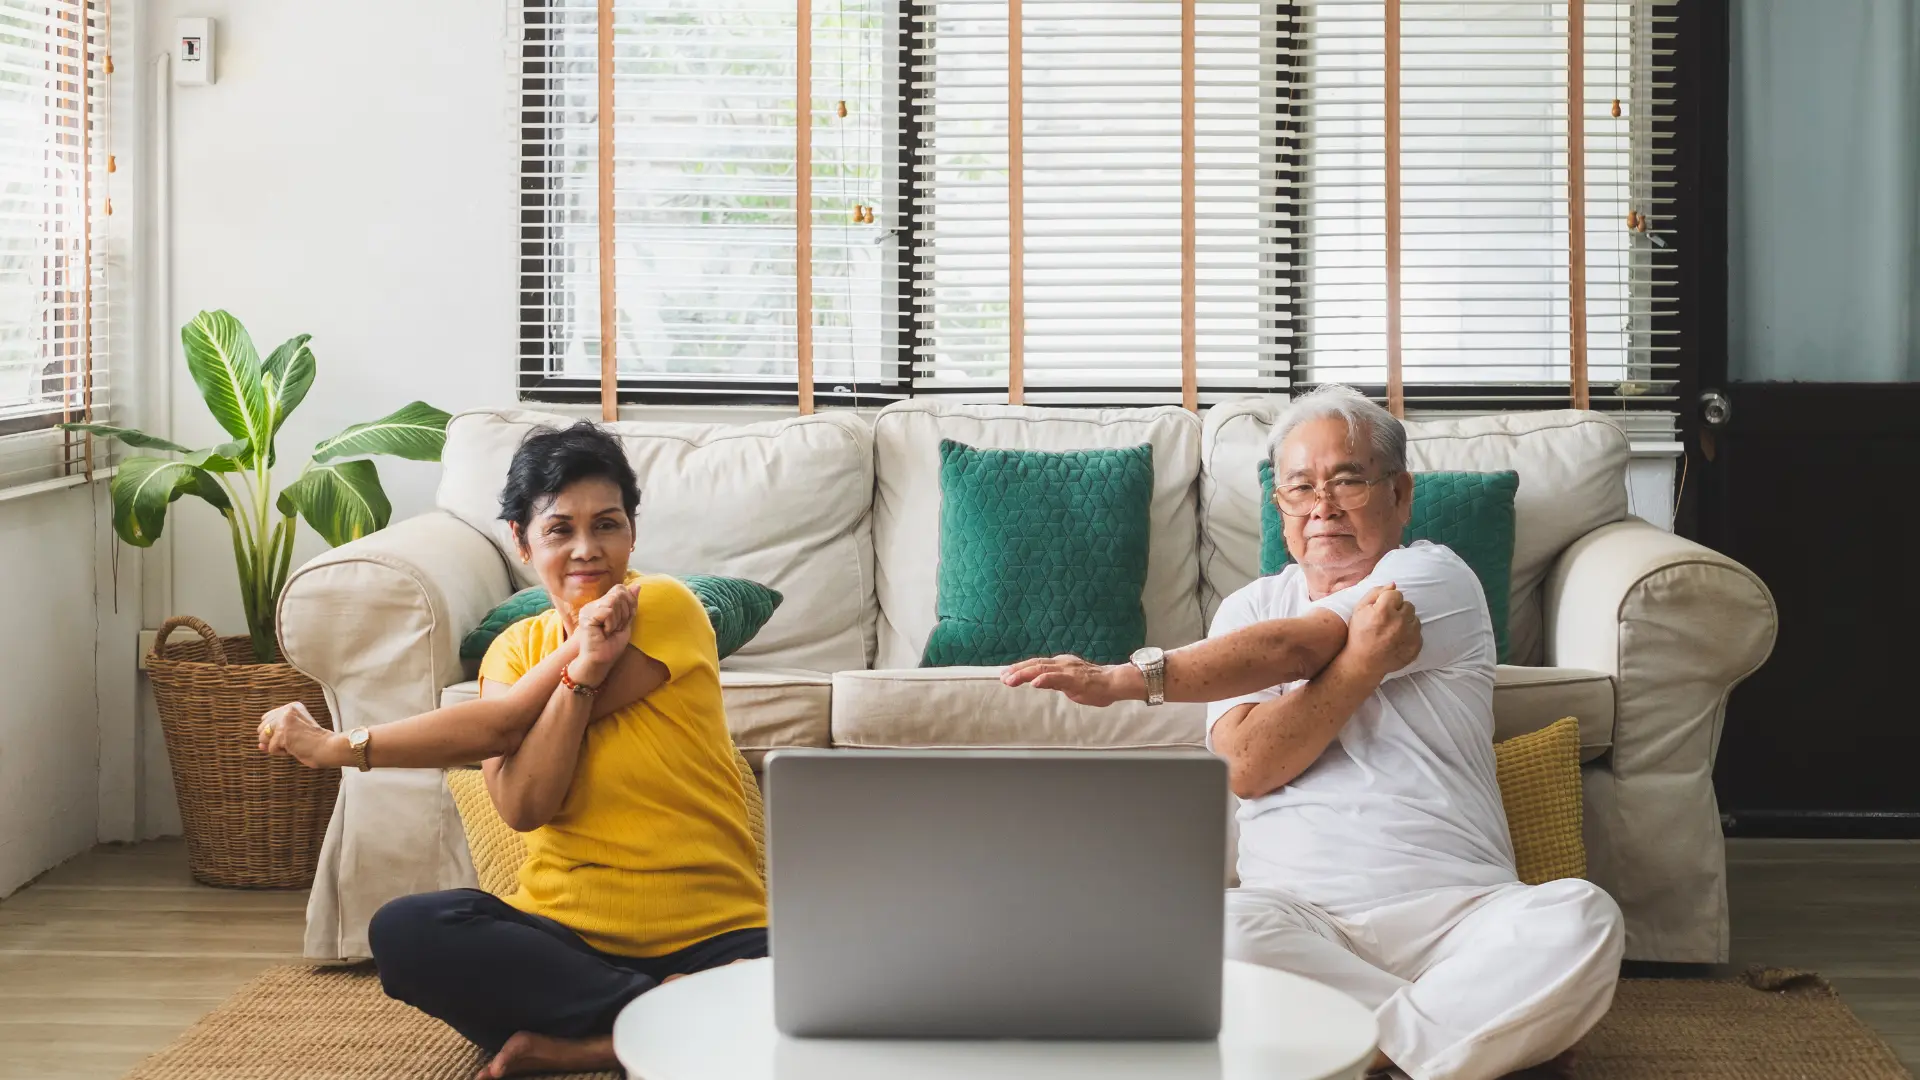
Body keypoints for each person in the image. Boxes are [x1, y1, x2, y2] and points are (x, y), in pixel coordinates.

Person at [1003, 385, 1624, 1080]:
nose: (1322, 506)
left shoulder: (1433, 576)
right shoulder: (1249, 610)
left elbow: (1301, 647)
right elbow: (1247, 765)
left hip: (1461, 915)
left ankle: (1362, 1050)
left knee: (1580, 917)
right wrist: (1361, 666)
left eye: (1348, 481)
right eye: (1300, 487)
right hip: (1298, 920)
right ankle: (1467, 1039)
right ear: (1280, 508)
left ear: (1400, 494)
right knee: (1202, 932)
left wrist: (1126, 679)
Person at [258, 422, 765, 1080]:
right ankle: (669, 1019)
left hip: (715, 934)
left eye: (607, 525)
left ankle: (599, 1043)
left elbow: (501, 725)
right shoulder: (510, 652)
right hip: (564, 944)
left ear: (632, 533)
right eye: (560, 530)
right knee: (408, 932)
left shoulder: (665, 605)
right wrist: (581, 673)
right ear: (522, 542)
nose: (587, 550)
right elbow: (526, 805)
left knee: (837, 986)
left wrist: (337, 747)